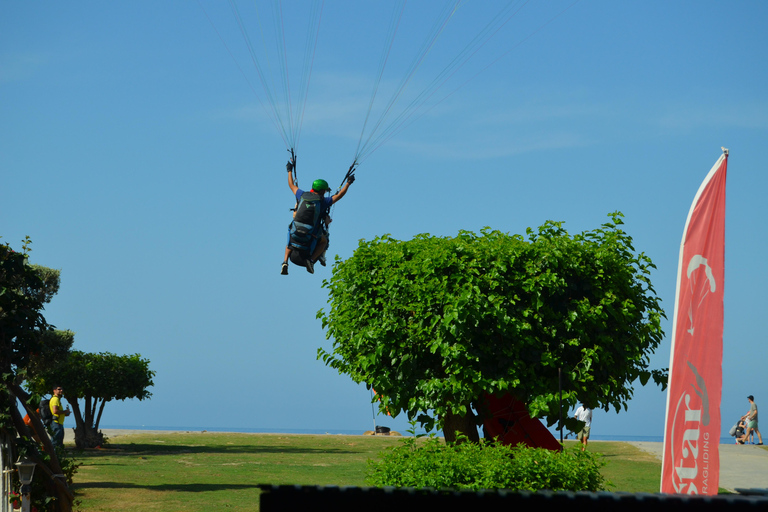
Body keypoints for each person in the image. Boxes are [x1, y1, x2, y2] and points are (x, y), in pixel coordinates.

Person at [281, 159, 354, 275]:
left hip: (296, 231)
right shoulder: (323, 201)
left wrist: (289, 170)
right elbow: (339, 195)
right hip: (309, 234)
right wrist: (348, 183)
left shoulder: (302, 195)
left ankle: (285, 261)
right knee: (324, 241)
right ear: (322, 191)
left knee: (290, 236)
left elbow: (291, 185)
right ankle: (311, 260)